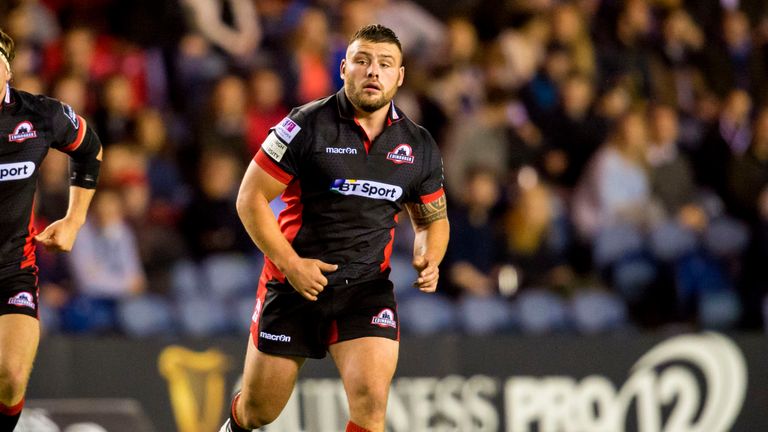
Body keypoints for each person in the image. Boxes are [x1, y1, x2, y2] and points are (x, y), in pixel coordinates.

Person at [221, 24, 449, 432]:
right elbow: (249, 198)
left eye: (385, 64)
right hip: (294, 285)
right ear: (344, 68)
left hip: (365, 288)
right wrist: (291, 264)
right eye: (362, 61)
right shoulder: (304, 126)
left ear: (400, 75)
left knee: (371, 405)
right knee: (259, 411)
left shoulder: (419, 146)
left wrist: (429, 254)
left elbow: (433, 219)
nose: (373, 72)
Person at [0, 29, 102, 430]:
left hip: (12, 270)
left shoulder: (39, 115)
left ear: (7, 69)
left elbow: (89, 150)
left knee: (10, 377)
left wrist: (74, 220)